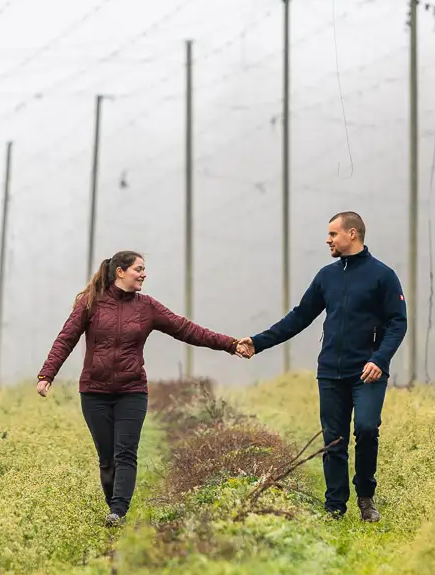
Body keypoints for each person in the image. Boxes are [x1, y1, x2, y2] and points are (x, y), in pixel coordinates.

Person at [37, 249, 243, 525]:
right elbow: (66, 339)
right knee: (107, 458)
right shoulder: (90, 303)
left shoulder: (147, 307)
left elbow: (186, 329)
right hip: (94, 392)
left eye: (144, 269)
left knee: (125, 453)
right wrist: (47, 374)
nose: (144, 274)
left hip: (131, 391)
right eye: (139, 269)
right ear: (120, 272)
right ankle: (114, 507)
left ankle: (118, 512)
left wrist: (230, 344)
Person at [237, 211, 406, 522]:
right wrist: (258, 342)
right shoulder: (326, 276)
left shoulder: (383, 275)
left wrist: (379, 360)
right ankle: (334, 507)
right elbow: (299, 317)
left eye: (333, 234)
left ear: (352, 234)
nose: (328, 240)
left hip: (368, 372)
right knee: (334, 440)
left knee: (367, 430)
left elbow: (398, 323)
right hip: (330, 372)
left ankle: (366, 497)